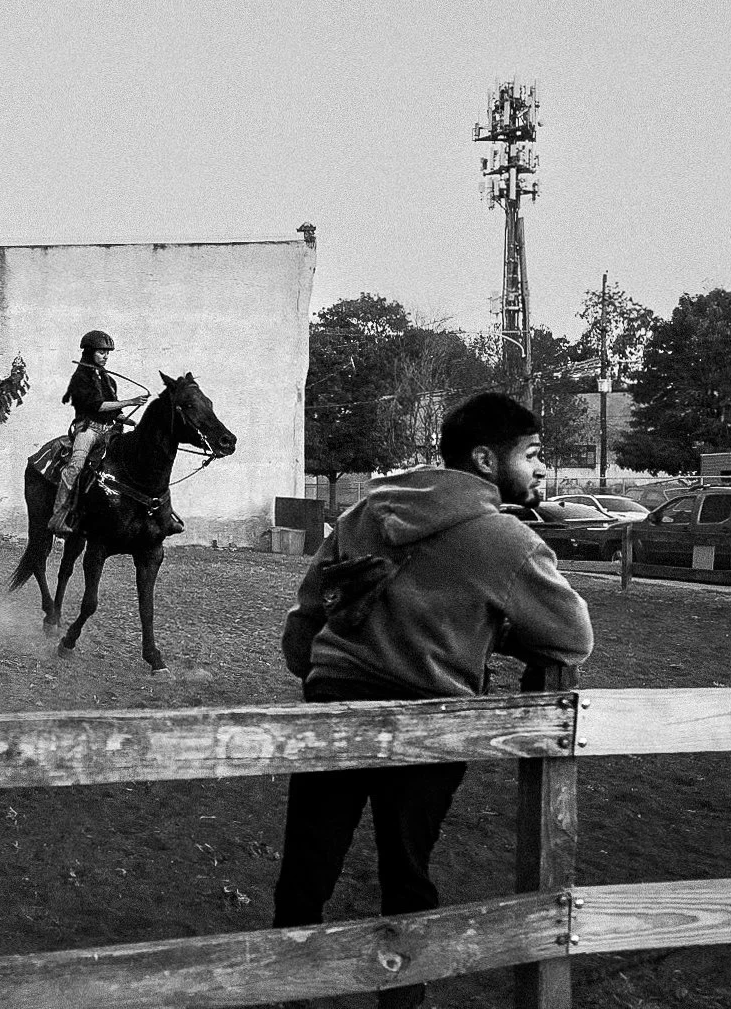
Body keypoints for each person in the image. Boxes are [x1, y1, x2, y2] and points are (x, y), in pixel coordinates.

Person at [274, 392, 593, 1009]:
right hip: (431, 721)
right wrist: (494, 631)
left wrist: (325, 669)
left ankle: (287, 987)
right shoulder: (506, 541)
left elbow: (305, 617)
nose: (541, 471)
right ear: (483, 460)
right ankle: (403, 995)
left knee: (307, 863)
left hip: (335, 708)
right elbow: (571, 637)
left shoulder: (366, 511)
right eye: (532, 456)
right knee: (408, 866)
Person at [48, 329, 148, 535]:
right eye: (101, 352)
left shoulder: (108, 380)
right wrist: (130, 401)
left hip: (108, 432)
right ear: (89, 352)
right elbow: (97, 406)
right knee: (75, 467)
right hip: (87, 430)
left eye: (107, 353)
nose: (105, 356)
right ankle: (57, 518)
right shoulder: (80, 378)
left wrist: (130, 421)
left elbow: (114, 412)